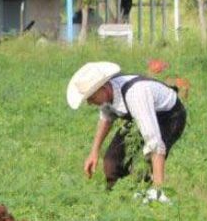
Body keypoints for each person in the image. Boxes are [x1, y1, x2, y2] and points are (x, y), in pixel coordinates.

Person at [67, 62, 186, 203]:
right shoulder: (109, 93)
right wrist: (94, 152)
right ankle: (118, 202)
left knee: (143, 166)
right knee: (111, 163)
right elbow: (107, 117)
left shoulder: (135, 94)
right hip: (139, 115)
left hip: (169, 117)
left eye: (91, 98)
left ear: (104, 89)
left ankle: (153, 198)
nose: (90, 103)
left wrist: (158, 187)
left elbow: (154, 141)